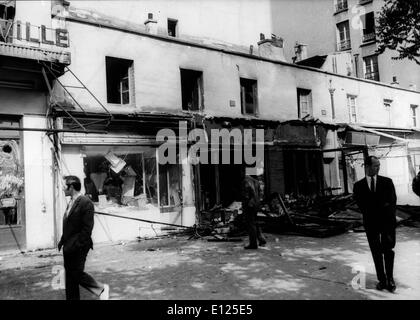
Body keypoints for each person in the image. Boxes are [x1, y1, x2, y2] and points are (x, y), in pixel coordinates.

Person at [58, 175, 109, 300]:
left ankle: (100, 289)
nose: (63, 188)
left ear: (71, 187)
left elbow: (87, 229)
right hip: (68, 246)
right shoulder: (71, 201)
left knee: (76, 274)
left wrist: (77, 245)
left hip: (79, 246)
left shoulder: (85, 203)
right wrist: (62, 241)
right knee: (70, 277)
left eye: (65, 186)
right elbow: (69, 224)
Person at [353, 156, 397, 292]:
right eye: (375, 165)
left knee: (388, 250)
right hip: (371, 223)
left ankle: (390, 279)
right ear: (367, 167)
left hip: (386, 222)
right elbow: (361, 205)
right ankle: (382, 280)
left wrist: (383, 213)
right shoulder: (358, 186)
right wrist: (376, 210)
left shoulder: (387, 182)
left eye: (379, 165)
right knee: (376, 252)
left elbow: (392, 201)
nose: (378, 168)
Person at [241, 173, 266, 249]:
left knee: (250, 224)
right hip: (256, 205)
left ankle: (253, 244)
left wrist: (244, 205)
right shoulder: (256, 181)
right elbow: (260, 193)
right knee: (255, 222)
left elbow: (246, 194)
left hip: (249, 205)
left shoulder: (246, 180)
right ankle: (261, 239)